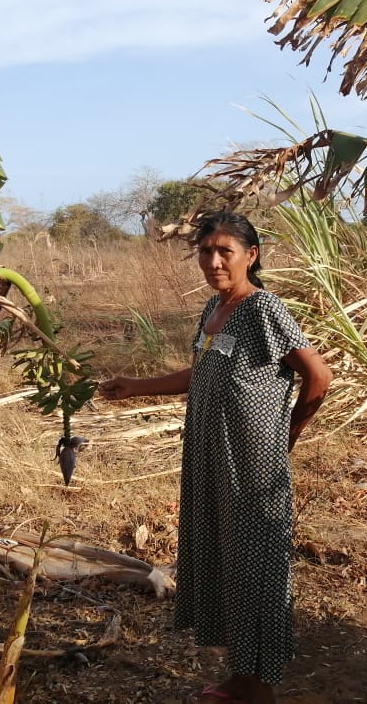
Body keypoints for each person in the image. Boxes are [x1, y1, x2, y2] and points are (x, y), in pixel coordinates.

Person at [99, 211, 332, 704]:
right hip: (209, 458)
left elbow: (318, 375)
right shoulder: (214, 309)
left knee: (257, 569)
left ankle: (260, 689)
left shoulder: (262, 308)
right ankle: (238, 676)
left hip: (252, 465)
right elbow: (199, 372)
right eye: (206, 251)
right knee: (224, 561)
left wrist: (284, 436)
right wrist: (135, 387)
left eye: (225, 251)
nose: (213, 260)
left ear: (252, 255)